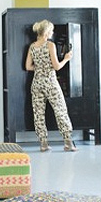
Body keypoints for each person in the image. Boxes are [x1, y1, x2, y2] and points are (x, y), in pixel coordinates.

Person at [25, 20, 77, 152]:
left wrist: (40, 67)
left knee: (38, 114)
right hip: (50, 83)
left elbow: (28, 67)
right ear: (47, 32)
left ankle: (43, 144)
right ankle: (68, 143)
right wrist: (66, 58)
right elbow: (57, 66)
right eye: (51, 31)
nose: (52, 33)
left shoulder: (32, 46)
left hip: (37, 83)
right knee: (60, 110)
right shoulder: (50, 45)